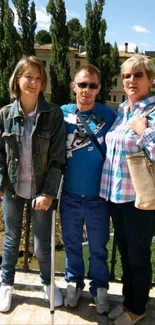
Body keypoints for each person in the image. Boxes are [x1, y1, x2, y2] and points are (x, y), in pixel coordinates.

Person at [0, 56, 66, 312]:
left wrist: (49, 192)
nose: (34, 82)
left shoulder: (53, 114)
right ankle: (6, 284)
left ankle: (48, 283)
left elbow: (58, 158)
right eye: (29, 76)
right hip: (13, 190)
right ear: (17, 79)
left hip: (41, 191)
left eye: (39, 78)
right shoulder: (5, 114)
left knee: (41, 242)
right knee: (11, 238)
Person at [100, 54, 155, 325]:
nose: (131, 80)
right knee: (125, 252)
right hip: (115, 196)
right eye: (126, 76)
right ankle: (128, 300)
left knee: (139, 255)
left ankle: (137, 308)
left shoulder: (151, 113)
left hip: (139, 199)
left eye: (137, 75)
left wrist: (142, 132)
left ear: (150, 80)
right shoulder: (122, 111)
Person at [60, 64, 117, 314]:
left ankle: (100, 287)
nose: (86, 89)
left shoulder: (109, 114)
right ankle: (74, 282)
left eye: (92, 85)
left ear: (99, 88)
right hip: (70, 195)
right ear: (74, 86)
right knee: (72, 243)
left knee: (98, 246)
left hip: (98, 197)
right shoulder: (61, 113)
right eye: (82, 84)